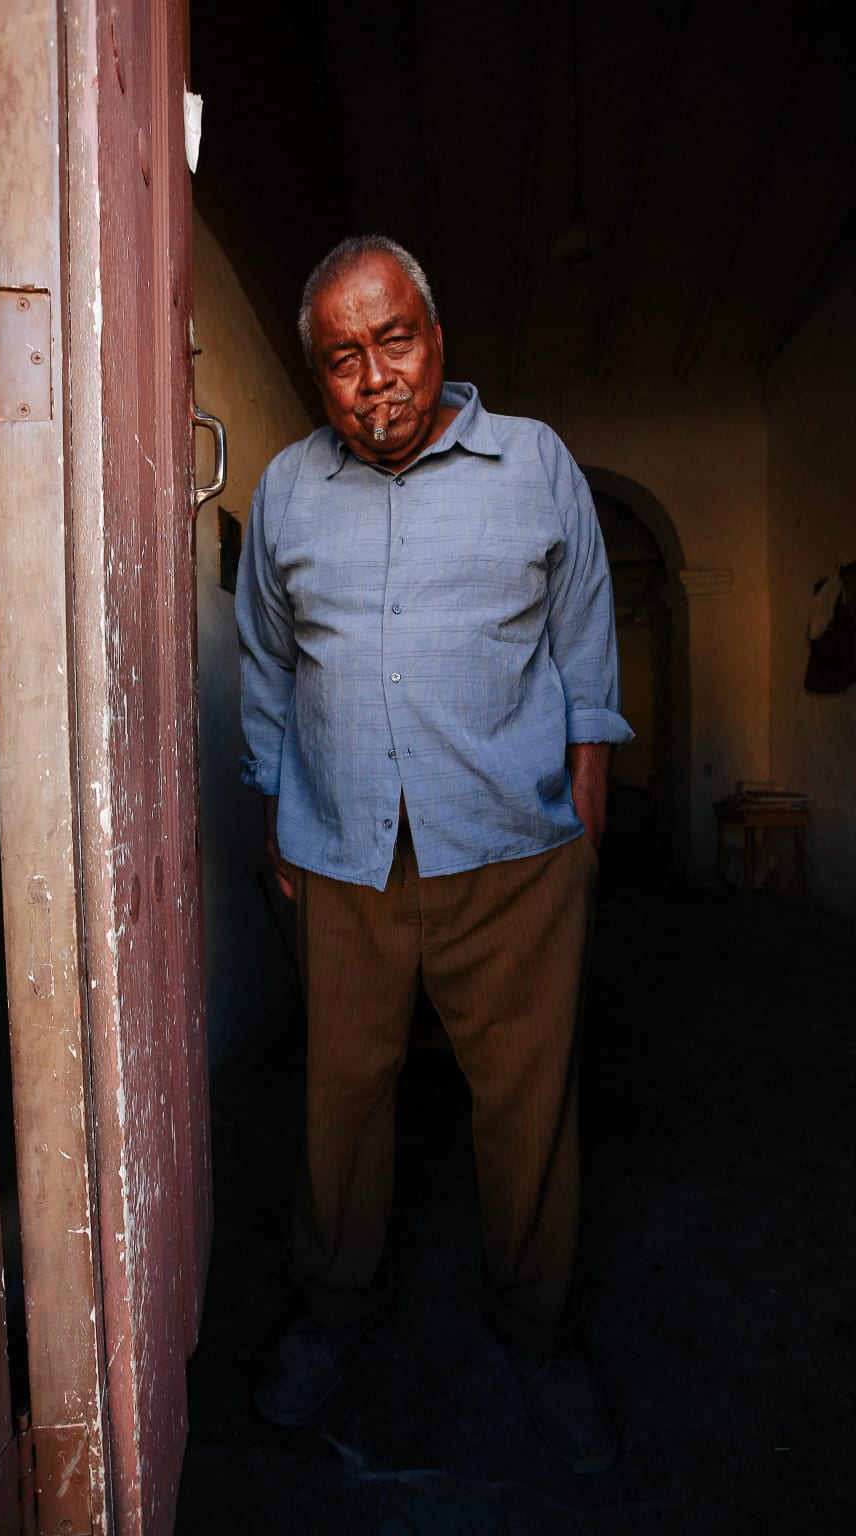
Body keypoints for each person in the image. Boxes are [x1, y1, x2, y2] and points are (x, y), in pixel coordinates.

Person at [235, 235, 632, 1473]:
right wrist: (275, 801)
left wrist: (583, 803)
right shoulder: (288, 490)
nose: (375, 379)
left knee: (527, 1105)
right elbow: (266, 661)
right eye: (341, 358)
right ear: (317, 375)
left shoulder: (535, 463)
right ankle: (332, 1310)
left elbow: (583, 640)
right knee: (339, 1100)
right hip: (343, 854)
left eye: (394, 340)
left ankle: (539, 1332)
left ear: (437, 338)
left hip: (512, 852)